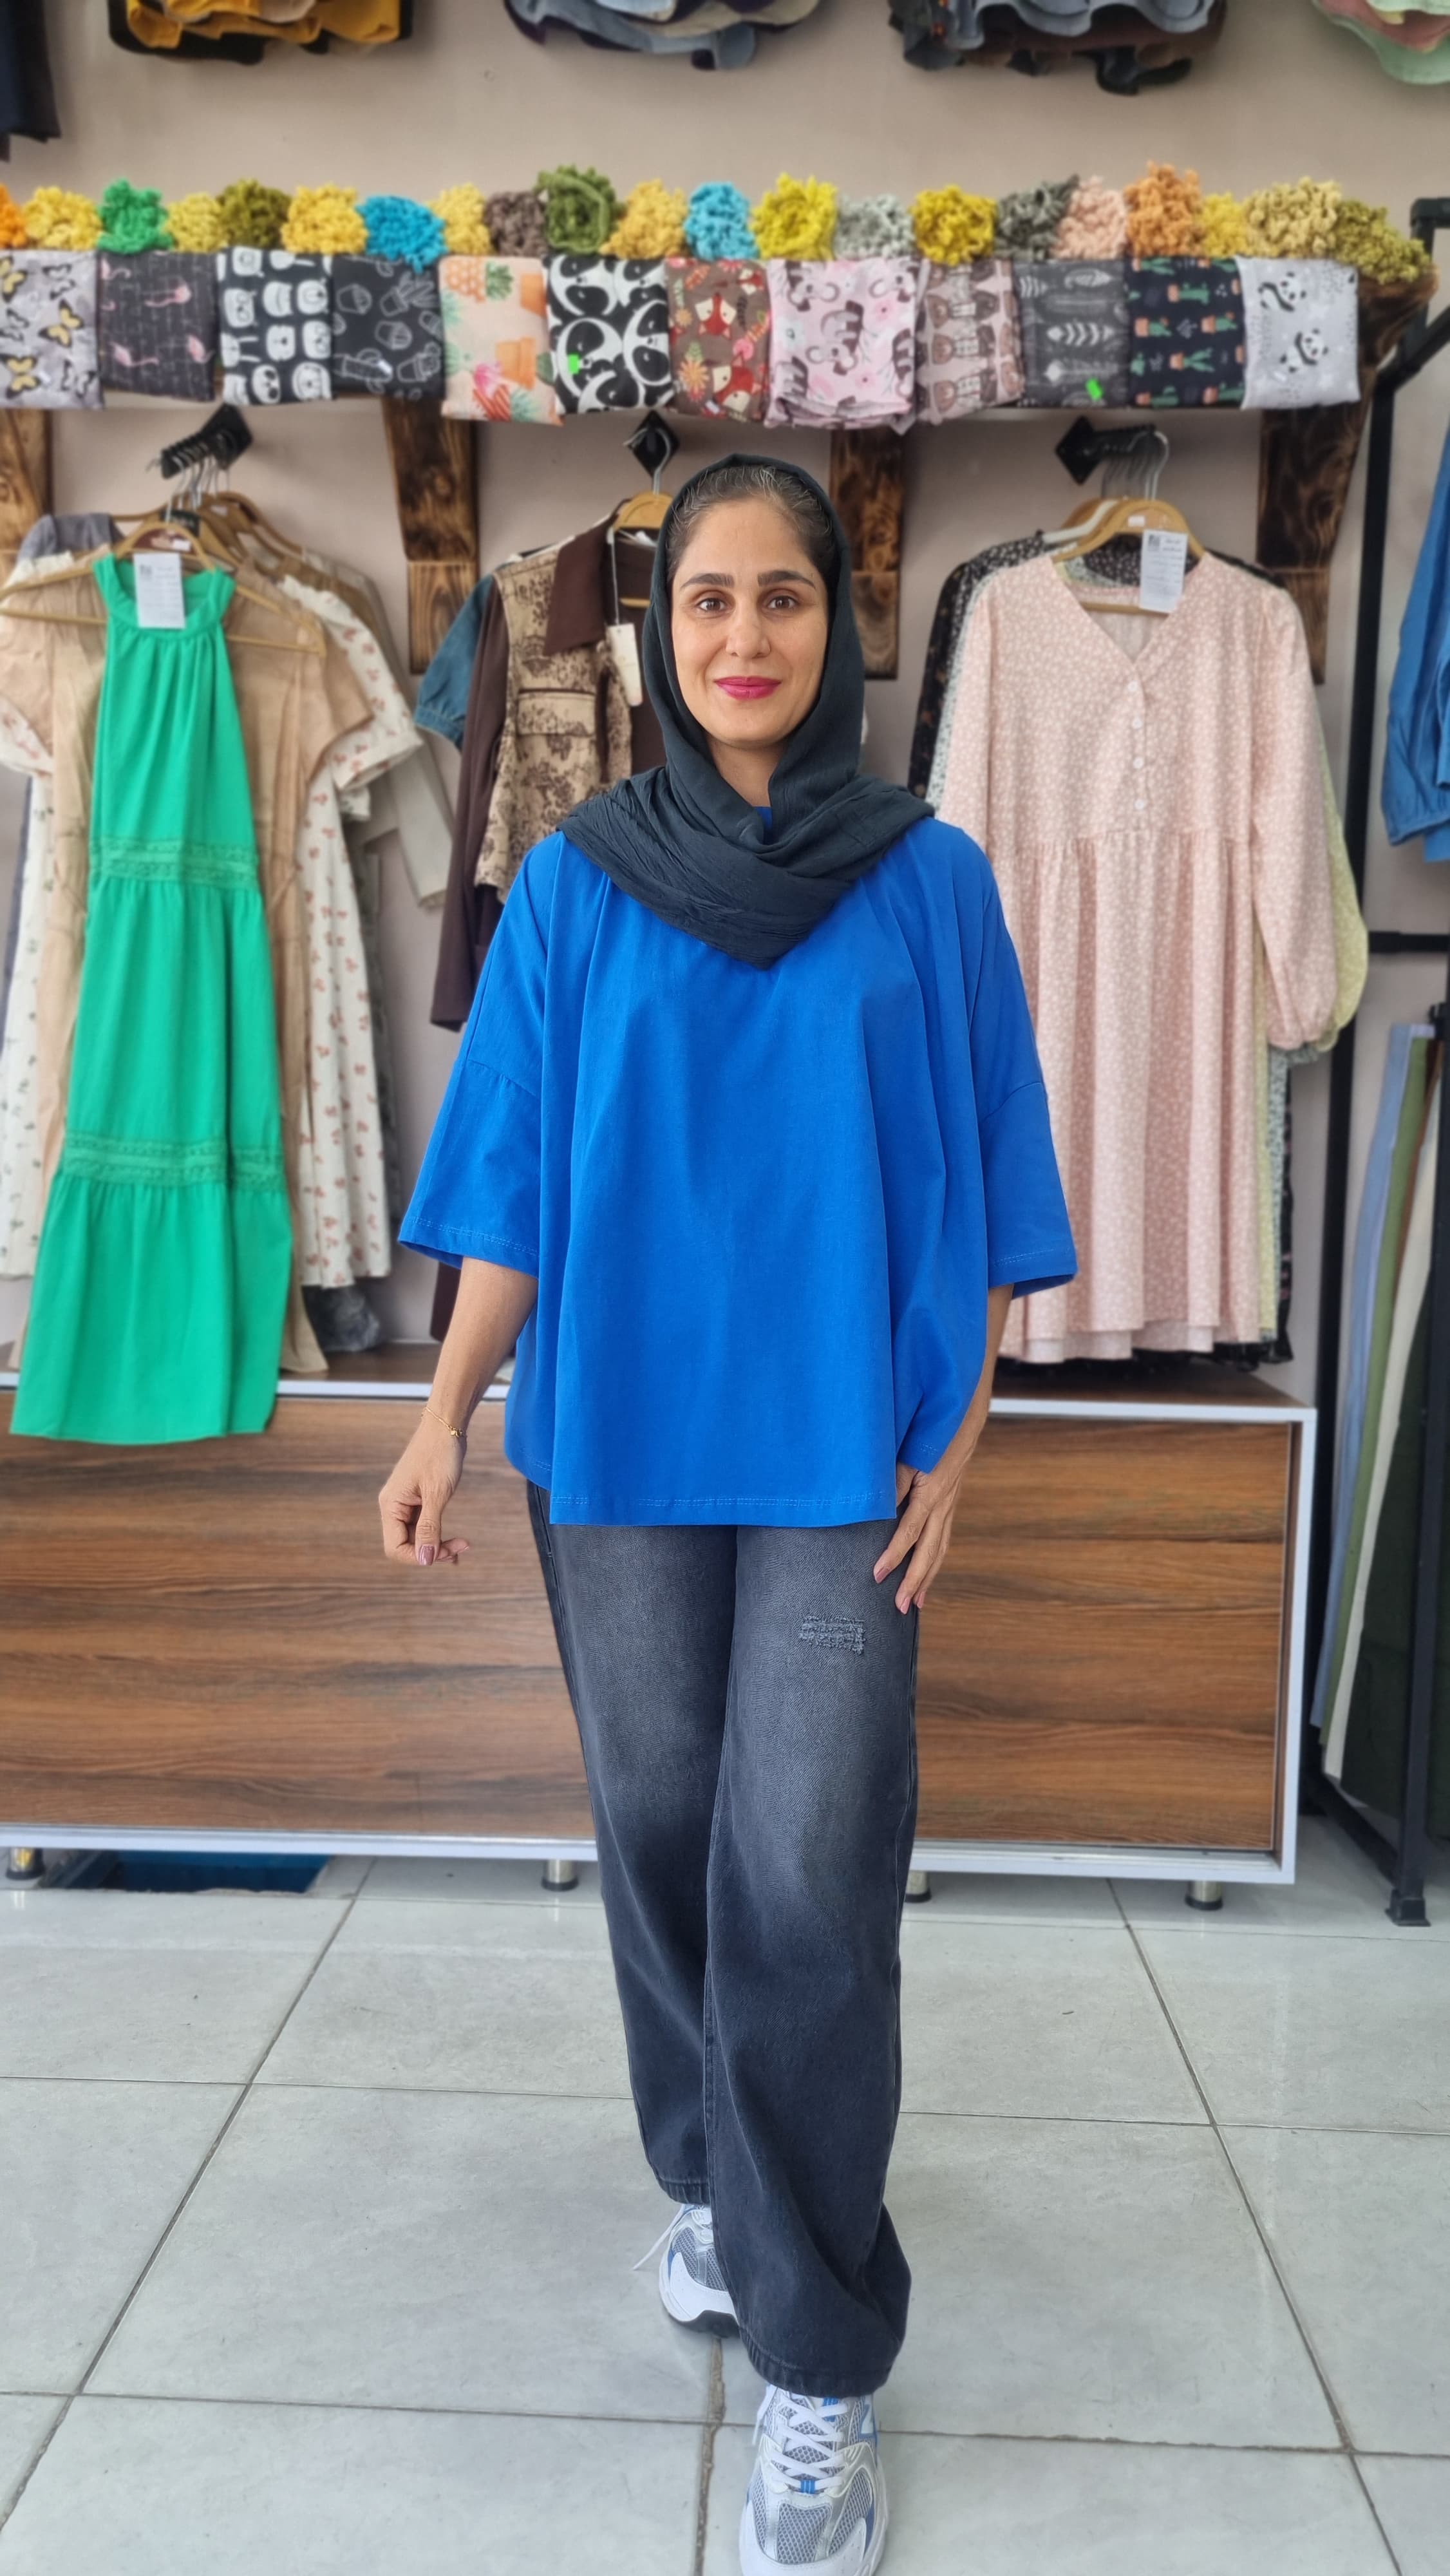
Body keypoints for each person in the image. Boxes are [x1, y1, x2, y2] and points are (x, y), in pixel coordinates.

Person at [379, 455, 1075, 2575]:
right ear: (658, 634)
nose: (744, 638)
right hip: (617, 1450)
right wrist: (439, 1417)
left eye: (782, 599)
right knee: (667, 1837)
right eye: (706, 602)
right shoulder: (575, 881)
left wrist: (959, 1442)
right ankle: (724, 2185)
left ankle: (818, 2352)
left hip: (843, 1463)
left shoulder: (929, 882)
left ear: (835, 630)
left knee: (808, 1872)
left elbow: (989, 1183)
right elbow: (509, 1183)